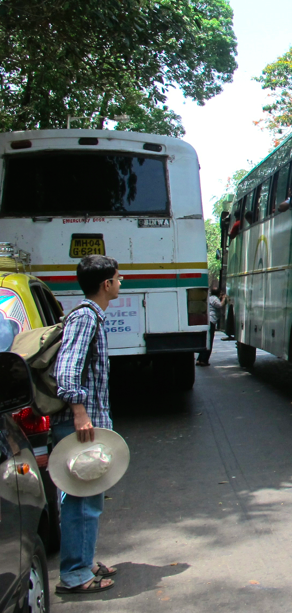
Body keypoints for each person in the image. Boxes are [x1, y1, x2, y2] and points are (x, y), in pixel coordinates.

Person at [51, 255, 120, 594]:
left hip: (89, 427)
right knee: (80, 501)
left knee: (88, 498)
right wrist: (79, 412)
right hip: (81, 428)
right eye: (118, 279)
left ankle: (84, 560)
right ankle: (76, 575)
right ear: (106, 284)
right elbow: (66, 370)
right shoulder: (85, 318)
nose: (121, 284)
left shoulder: (92, 317)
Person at [196, 287, 226, 366]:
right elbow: (220, 305)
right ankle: (204, 360)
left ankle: (199, 359)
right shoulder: (214, 298)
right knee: (209, 340)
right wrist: (224, 299)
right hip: (211, 321)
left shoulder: (209, 298)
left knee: (205, 340)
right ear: (218, 293)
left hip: (207, 320)